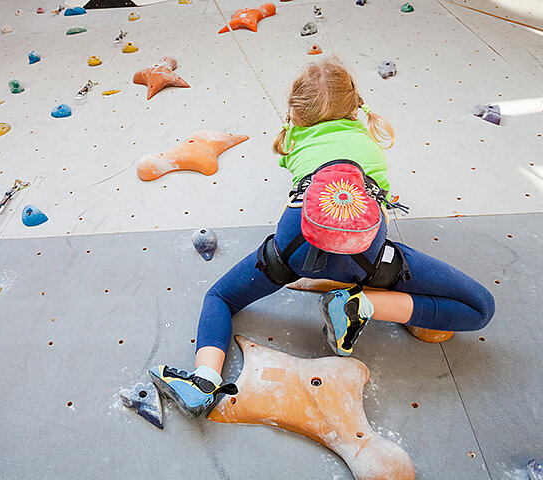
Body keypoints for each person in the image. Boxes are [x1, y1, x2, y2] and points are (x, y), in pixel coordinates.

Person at [149, 58, 495, 419]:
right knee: (480, 308)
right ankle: (363, 306)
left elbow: (295, 161)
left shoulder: (293, 141)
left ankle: (204, 380)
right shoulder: (369, 145)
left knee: (219, 297)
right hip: (366, 256)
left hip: (294, 247)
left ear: (295, 114)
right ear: (356, 107)